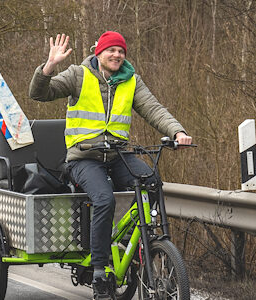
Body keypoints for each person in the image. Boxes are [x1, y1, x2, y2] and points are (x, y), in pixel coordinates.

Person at [28, 32, 193, 299]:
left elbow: (153, 109)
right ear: (99, 53)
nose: (116, 55)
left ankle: (136, 245)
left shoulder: (131, 81)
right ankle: (99, 270)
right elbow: (39, 93)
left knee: (152, 183)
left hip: (117, 155)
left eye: (121, 51)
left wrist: (177, 132)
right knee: (104, 200)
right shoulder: (78, 74)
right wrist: (49, 66)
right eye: (111, 50)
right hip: (83, 158)